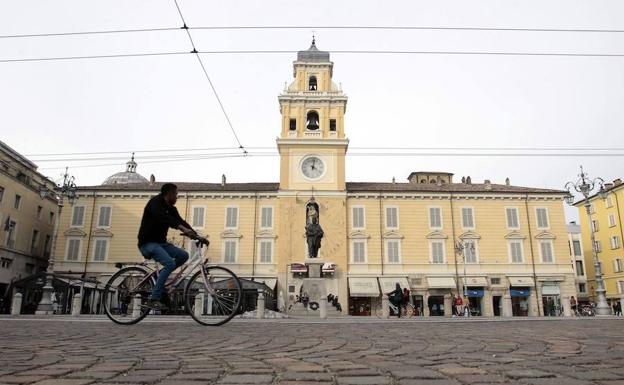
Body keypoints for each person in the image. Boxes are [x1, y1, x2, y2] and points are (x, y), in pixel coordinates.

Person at [138, 183, 207, 310]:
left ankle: (160, 280)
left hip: (161, 243)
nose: (177, 197)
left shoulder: (171, 208)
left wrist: (196, 236)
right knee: (169, 264)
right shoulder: (155, 203)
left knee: (183, 255)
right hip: (147, 243)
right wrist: (182, 229)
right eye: (176, 194)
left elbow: (180, 221)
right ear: (169, 194)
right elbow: (164, 218)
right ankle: (154, 299)